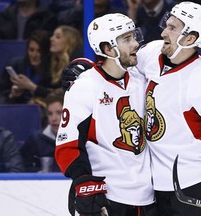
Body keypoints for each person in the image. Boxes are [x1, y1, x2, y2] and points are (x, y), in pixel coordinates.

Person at [61, 2, 201, 216]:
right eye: (166, 24)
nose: (163, 32)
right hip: (155, 189)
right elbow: (115, 63)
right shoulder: (152, 54)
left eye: (172, 28)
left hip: (195, 184)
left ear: (190, 38)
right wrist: (84, 68)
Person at [55, 13, 157, 216]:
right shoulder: (85, 86)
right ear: (108, 49)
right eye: (127, 39)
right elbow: (67, 146)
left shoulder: (141, 79)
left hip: (149, 198)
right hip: (109, 197)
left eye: (134, 36)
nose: (135, 44)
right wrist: (83, 182)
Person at [0, 30, 54, 104]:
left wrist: (32, 87)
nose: (34, 55)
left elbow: (56, 97)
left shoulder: (53, 70)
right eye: (31, 50)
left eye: (39, 51)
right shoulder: (15, 65)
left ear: (46, 51)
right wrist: (11, 94)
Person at [20, 90, 63, 172]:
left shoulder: (81, 139)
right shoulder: (35, 140)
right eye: (50, 114)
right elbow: (23, 168)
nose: (54, 118)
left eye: (59, 113)